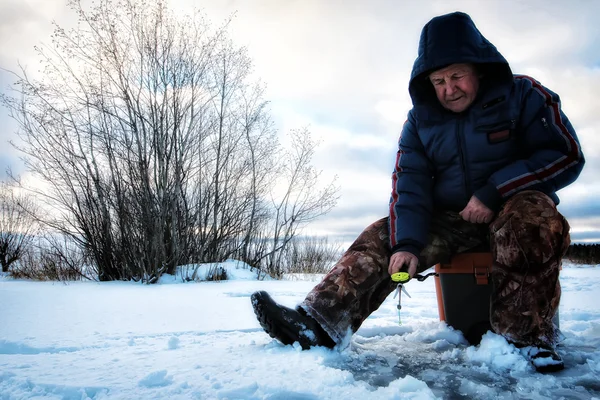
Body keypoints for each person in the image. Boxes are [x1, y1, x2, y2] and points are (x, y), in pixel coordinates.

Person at [250, 11, 585, 372]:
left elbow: (565, 155)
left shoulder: (524, 94)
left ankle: (527, 340)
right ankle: (318, 324)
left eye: (457, 76)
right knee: (383, 235)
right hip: (453, 220)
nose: (448, 89)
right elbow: (409, 184)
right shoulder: (420, 121)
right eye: (438, 80)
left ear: (479, 68)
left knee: (530, 218)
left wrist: (494, 192)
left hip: (515, 209)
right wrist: (406, 244)